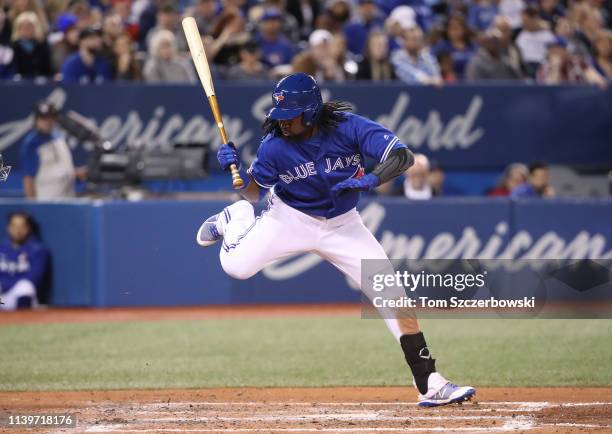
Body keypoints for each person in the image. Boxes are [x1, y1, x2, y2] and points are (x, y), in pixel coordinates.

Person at [196, 73, 475, 406]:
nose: (284, 123)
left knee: (392, 294)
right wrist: (238, 177)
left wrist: (372, 179)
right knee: (236, 267)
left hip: (344, 225)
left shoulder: (349, 127)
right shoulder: (274, 147)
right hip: (290, 218)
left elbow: (403, 156)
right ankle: (234, 218)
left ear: (312, 111)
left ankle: (429, 382)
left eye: (292, 116)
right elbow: (255, 192)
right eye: (281, 116)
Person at [20, 102, 82, 199]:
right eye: (44, 118)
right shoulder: (32, 144)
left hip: (68, 200)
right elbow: (28, 178)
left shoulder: (59, 137)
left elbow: (63, 170)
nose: (48, 121)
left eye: (51, 117)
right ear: (36, 120)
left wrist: (77, 174)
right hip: (47, 202)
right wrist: (32, 207)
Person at [0, 212, 48, 310]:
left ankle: (22, 319)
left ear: (28, 228)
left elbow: (33, 278)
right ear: (8, 228)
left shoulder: (37, 250)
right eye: (14, 226)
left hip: (19, 297)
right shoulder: (1, 248)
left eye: (21, 226)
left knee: (25, 286)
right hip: (1, 298)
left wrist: (5, 284)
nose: (18, 230)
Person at [515, 5, 556, 78]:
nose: (524, 24)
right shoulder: (521, 37)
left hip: (544, 67)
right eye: (523, 21)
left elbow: (552, 55)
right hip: (527, 68)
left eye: (526, 21)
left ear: (535, 19)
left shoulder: (548, 36)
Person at [10, 11, 52, 79]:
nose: (26, 30)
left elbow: (48, 68)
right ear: (18, 29)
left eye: (29, 27)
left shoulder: (42, 45)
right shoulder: (13, 47)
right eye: (23, 27)